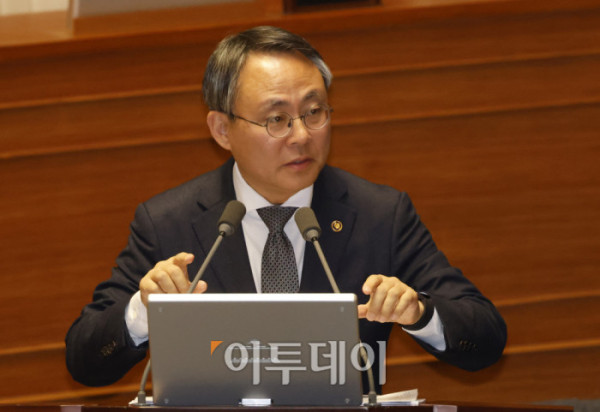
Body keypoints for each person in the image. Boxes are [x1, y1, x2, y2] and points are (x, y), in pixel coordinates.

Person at [65, 26, 506, 390]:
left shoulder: (379, 214)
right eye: (276, 119)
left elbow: (485, 337)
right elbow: (85, 359)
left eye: (315, 112)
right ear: (222, 130)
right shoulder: (169, 222)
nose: (302, 135)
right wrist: (145, 311)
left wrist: (419, 313)